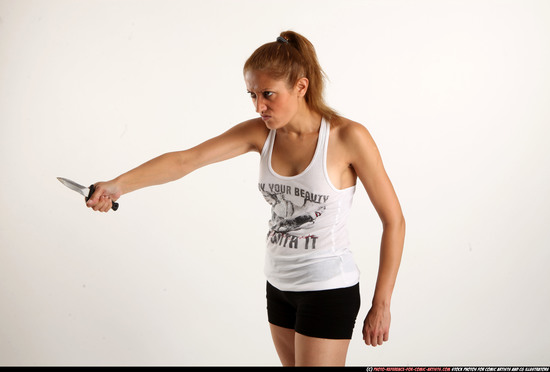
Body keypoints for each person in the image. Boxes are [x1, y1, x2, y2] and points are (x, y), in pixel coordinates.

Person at [86, 31, 405, 367]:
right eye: (252, 95)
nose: (259, 106)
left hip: (327, 287)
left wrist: (381, 302)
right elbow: (186, 160)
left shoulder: (346, 137)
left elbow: (393, 220)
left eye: (268, 94)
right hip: (278, 286)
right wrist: (118, 185)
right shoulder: (260, 133)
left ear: (301, 86)